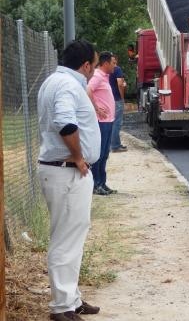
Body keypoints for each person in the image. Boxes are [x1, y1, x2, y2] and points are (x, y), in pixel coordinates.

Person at [37, 40, 102, 320]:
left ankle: (71, 299)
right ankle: (62, 306)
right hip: (66, 170)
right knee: (65, 240)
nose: (94, 72)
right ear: (86, 64)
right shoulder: (66, 84)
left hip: (65, 170)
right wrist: (77, 156)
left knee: (71, 236)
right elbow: (65, 123)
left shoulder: (56, 80)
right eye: (94, 66)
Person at [87, 51, 116, 195]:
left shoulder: (105, 77)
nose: (115, 66)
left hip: (108, 121)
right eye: (113, 63)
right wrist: (96, 108)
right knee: (99, 154)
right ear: (105, 63)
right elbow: (88, 90)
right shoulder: (97, 76)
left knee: (104, 153)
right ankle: (96, 184)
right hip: (101, 122)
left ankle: (102, 183)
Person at [109, 56, 127, 153]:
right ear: (115, 61)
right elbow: (120, 84)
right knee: (117, 122)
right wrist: (122, 97)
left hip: (109, 99)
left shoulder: (105, 72)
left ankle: (116, 144)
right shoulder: (117, 69)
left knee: (112, 122)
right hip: (117, 98)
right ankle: (115, 146)